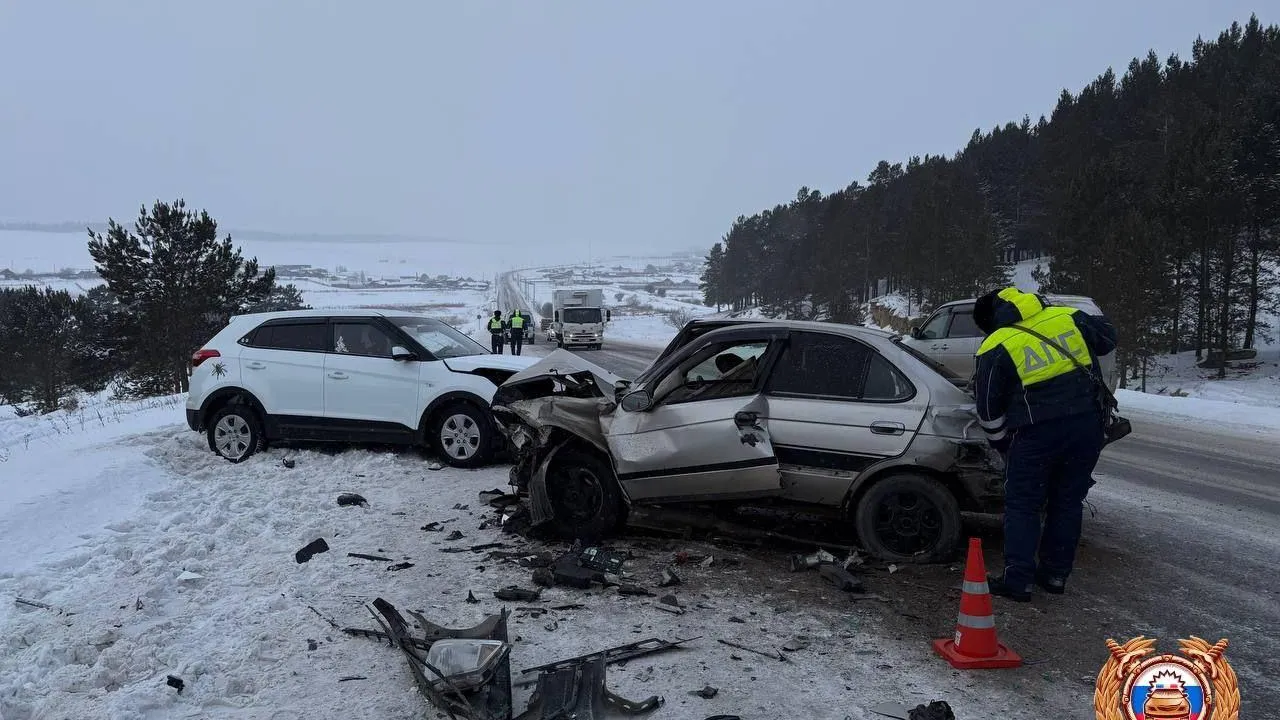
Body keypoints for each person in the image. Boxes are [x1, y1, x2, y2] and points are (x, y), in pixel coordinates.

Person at [972, 287, 1117, 602]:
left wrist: (1002, 446)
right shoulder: (1067, 317)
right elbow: (1108, 340)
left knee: (1023, 504)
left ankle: (1018, 581)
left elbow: (987, 408)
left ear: (992, 319)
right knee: (1066, 503)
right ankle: (1054, 576)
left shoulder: (997, 344)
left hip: (1036, 432)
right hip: (1086, 426)